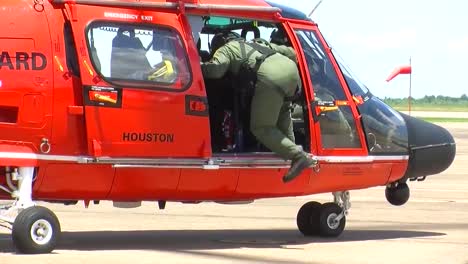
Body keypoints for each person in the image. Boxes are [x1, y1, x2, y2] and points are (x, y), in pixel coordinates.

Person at [201, 31, 318, 183]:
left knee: (262, 128)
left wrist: (196, 67)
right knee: (282, 113)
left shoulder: (227, 48)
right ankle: (289, 157)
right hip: (292, 74)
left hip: (270, 78)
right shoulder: (259, 43)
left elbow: (216, 70)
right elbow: (293, 53)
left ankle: (298, 156)